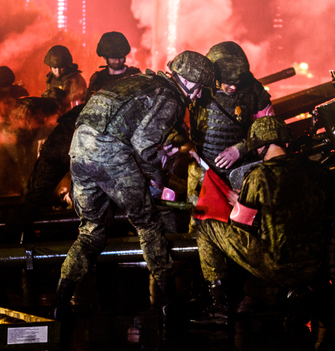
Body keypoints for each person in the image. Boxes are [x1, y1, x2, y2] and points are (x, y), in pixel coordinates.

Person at [52, 50, 216, 320]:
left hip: (79, 149)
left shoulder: (139, 82)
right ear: (187, 82)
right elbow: (143, 145)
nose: (199, 95)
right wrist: (158, 178)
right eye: (199, 90)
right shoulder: (170, 98)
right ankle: (169, 302)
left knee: (90, 231)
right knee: (149, 225)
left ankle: (59, 303)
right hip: (110, 153)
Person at [3, 33, 142, 243]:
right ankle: (12, 242)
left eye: (121, 56)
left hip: (110, 141)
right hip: (87, 140)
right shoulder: (97, 80)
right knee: (43, 194)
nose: (118, 59)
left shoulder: (134, 78)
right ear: (105, 56)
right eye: (114, 56)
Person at [190, 116, 325, 325]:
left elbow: (240, 225)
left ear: (257, 147)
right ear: (286, 142)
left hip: (277, 265)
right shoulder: (311, 168)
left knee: (207, 228)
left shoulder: (259, 175)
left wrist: (237, 203)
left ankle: (220, 307)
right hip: (315, 265)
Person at [187, 41, 274, 209]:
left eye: (238, 82)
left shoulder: (253, 89)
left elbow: (270, 130)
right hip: (202, 170)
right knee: (202, 223)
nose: (233, 87)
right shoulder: (199, 86)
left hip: (240, 169)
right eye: (228, 82)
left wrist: (239, 149)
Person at [86, 32, 141, 101]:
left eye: (120, 57)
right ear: (105, 57)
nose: (117, 61)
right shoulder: (98, 80)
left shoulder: (135, 76)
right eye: (113, 58)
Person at [44, 45, 87, 112]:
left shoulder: (75, 80)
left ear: (67, 65)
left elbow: (78, 106)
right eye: (54, 68)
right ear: (50, 67)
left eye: (61, 67)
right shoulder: (50, 78)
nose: (57, 71)